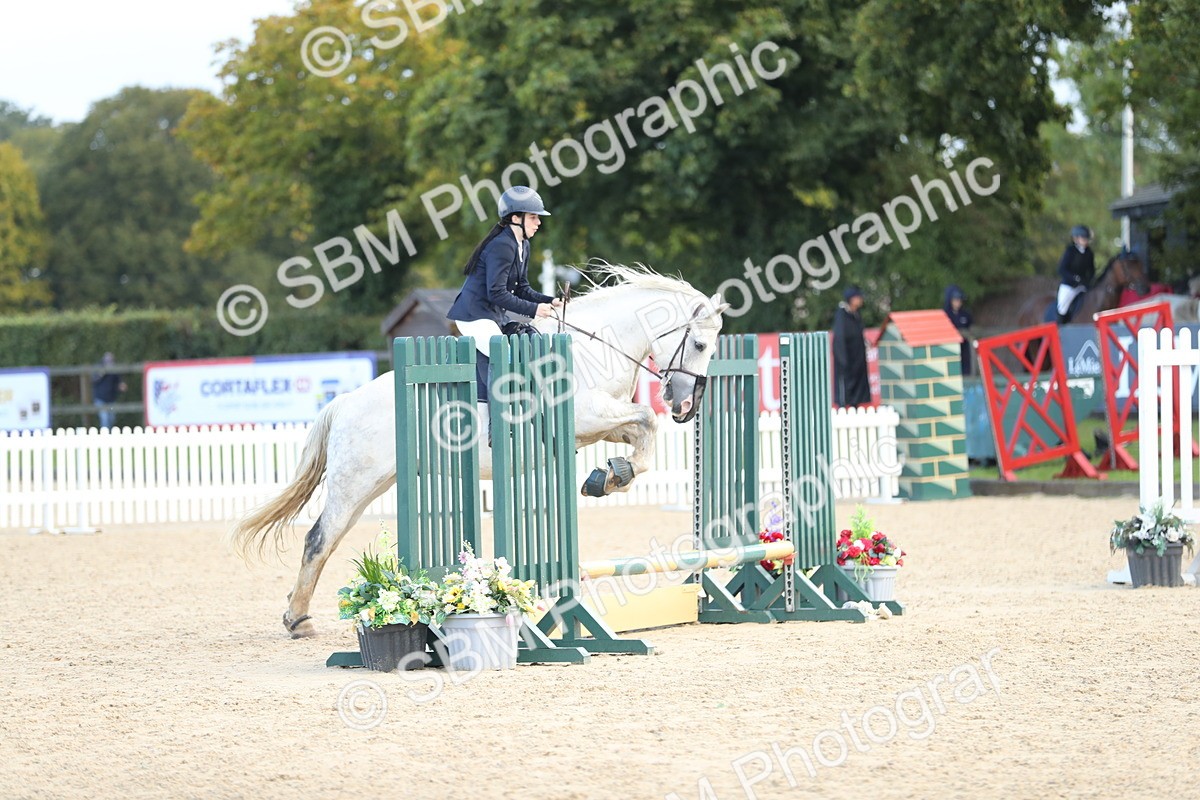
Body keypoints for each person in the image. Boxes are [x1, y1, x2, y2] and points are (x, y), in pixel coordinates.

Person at [447, 186, 562, 402]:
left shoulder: (522, 245)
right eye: (534, 217)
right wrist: (535, 309)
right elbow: (496, 294)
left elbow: (522, 288)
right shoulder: (501, 245)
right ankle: (497, 422)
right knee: (505, 358)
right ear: (515, 217)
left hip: (491, 316)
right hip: (474, 317)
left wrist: (551, 301)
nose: (539, 223)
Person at [832, 285, 871, 408]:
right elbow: (839, 339)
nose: (861, 300)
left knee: (857, 396)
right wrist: (843, 362)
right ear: (852, 299)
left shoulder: (856, 315)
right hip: (847, 362)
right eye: (858, 297)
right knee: (845, 395)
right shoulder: (842, 315)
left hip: (857, 361)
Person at [1056, 224, 1095, 325]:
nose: (1086, 241)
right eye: (1084, 238)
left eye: (1087, 239)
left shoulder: (1089, 253)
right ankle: (1060, 328)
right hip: (1069, 286)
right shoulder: (1070, 251)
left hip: (1083, 286)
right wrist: (1075, 278)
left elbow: (1091, 270)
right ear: (1076, 239)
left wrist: (1088, 280)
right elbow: (1062, 269)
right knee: (1062, 308)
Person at [943, 285, 973, 376]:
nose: (958, 302)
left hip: (964, 347)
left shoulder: (966, 314)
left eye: (960, 299)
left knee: (966, 369)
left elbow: (971, 328)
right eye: (956, 299)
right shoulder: (945, 314)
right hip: (950, 347)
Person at [91, 352, 126, 430]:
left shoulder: (114, 370)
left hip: (111, 400)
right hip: (100, 399)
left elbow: (118, 382)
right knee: (105, 419)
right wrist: (102, 372)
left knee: (111, 419)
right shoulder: (98, 368)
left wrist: (121, 386)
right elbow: (94, 379)